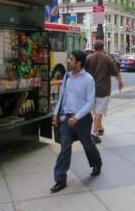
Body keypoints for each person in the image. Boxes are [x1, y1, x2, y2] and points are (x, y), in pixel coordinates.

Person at [51, 50, 102, 193]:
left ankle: (96, 163)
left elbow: (90, 102)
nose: (67, 60)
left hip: (82, 120)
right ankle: (60, 179)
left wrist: (77, 117)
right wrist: (56, 113)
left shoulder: (88, 79)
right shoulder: (67, 76)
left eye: (71, 59)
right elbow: (62, 96)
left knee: (88, 145)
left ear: (78, 62)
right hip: (67, 118)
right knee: (65, 147)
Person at [85, 40, 123, 144]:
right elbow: (115, 72)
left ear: (94, 47)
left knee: (95, 111)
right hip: (103, 89)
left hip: (91, 90)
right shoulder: (107, 58)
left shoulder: (88, 58)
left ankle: (100, 127)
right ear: (103, 47)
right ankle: (94, 134)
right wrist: (120, 82)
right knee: (99, 112)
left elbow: (83, 73)